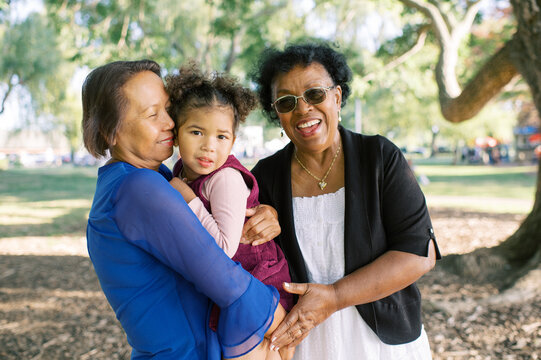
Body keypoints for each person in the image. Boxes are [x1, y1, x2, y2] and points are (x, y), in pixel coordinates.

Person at [82, 59, 286, 359]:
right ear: (110, 131)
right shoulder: (138, 188)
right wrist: (285, 322)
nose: (169, 122)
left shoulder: (154, 178)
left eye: (168, 108)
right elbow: (225, 279)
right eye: (153, 114)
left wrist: (261, 213)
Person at [249, 42, 442, 359]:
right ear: (276, 114)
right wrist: (261, 219)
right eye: (286, 102)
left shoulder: (379, 157)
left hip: (383, 345)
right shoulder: (264, 178)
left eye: (315, 95)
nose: (303, 109)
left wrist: (335, 296)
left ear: (336, 97)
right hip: (304, 346)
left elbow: (419, 254)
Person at [165, 63, 295, 359]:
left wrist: (188, 199)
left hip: (260, 287)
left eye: (221, 137)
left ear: (233, 142)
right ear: (176, 134)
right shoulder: (183, 173)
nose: (209, 147)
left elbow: (224, 247)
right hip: (236, 288)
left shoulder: (224, 178)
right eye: (196, 132)